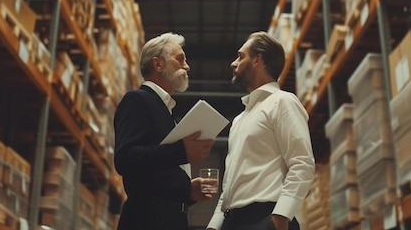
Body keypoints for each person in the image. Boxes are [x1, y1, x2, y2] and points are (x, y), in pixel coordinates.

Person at [207, 31, 315, 230]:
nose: (234, 63)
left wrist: (281, 217)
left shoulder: (283, 102)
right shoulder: (240, 120)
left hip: (265, 219)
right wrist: (215, 224)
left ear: (258, 59)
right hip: (232, 221)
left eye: (241, 56)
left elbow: (302, 163)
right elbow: (231, 181)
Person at [114, 32, 216, 230]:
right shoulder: (137, 100)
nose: (187, 67)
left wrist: (188, 189)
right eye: (180, 59)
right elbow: (125, 159)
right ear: (158, 64)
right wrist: (181, 152)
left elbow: (155, 174)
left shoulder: (166, 110)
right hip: (146, 220)